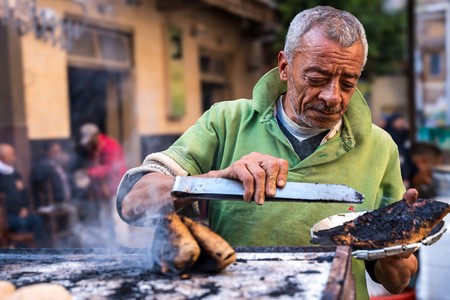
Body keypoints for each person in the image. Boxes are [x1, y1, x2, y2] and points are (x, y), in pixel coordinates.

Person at [116, 6, 418, 299]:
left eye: (348, 83)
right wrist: (217, 180)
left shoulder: (380, 147)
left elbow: (396, 283)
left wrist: (397, 254)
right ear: (285, 67)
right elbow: (132, 204)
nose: (332, 96)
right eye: (316, 79)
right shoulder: (225, 122)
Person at [78, 123, 127, 245]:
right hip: (103, 188)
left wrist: (89, 173)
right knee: (104, 216)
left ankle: (123, 244)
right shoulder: (94, 148)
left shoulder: (110, 146)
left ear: (95, 135)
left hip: (116, 186)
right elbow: (96, 166)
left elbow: (111, 167)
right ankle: (108, 244)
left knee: (117, 217)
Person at [0, 144, 43, 246]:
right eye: (12, 154)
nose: (14, 158)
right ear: (4, 157)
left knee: (37, 221)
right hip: (7, 215)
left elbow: (24, 194)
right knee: (21, 224)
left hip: (21, 212)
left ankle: (37, 251)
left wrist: (24, 208)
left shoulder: (15, 174)